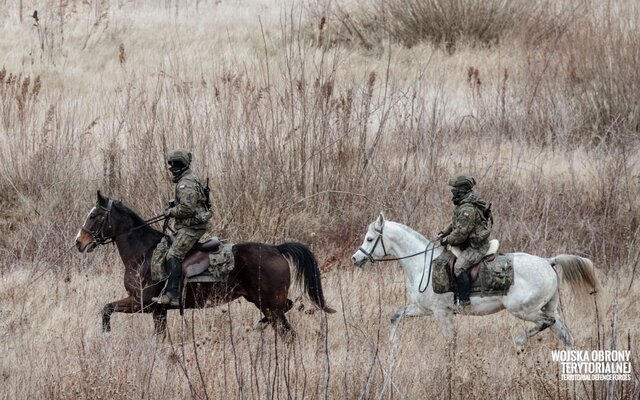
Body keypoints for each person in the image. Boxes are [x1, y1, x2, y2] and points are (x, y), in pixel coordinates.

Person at [153, 149, 212, 306]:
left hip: (193, 227)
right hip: (190, 224)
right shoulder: (187, 179)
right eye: (171, 164)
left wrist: (170, 211)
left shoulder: (185, 184)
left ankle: (173, 294)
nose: (172, 168)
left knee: (174, 254)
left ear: (182, 165)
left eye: (175, 164)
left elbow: (188, 209)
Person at [436, 173, 492, 311]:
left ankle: (465, 303)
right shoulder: (464, 204)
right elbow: (456, 224)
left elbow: (461, 234)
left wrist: (445, 240)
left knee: (458, 267)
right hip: (467, 243)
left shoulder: (467, 209)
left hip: (476, 247)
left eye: (455, 188)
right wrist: (445, 232)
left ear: (461, 189)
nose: (453, 191)